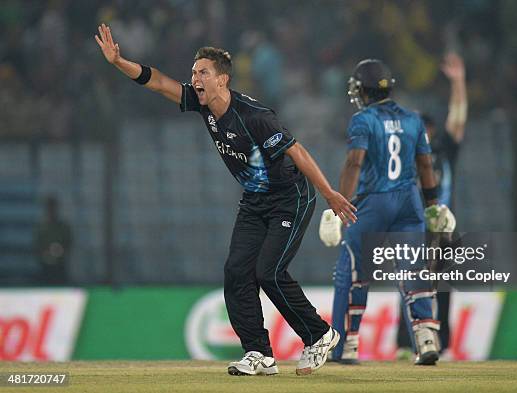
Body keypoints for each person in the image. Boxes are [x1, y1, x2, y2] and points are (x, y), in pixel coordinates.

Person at [95, 23, 357, 376]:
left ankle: (320, 335)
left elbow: (299, 153)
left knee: (269, 272)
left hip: (289, 198)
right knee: (236, 274)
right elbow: (157, 81)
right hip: (254, 200)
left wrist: (329, 194)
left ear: (223, 79)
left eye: (202, 72)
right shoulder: (203, 105)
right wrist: (118, 62)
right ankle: (259, 354)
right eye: (193, 72)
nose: (194, 78)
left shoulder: (255, 117)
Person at [320, 59, 453, 366]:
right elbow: (425, 165)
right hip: (409, 202)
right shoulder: (413, 119)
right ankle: (426, 339)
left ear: (362, 89)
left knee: (352, 274)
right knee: (414, 270)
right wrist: (433, 204)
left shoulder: (362, 120)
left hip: (372, 203)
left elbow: (354, 162)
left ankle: (346, 345)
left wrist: (339, 203)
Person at [396, 52, 468, 359]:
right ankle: (405, 343)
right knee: (409, 284)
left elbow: (458, 117)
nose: (423, 131)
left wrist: (459, 82)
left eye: (426, 126)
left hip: (442, 226)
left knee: (443, 287)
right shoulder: (403, 151)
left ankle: (444, 344)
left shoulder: (442, 149)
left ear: (432, 130)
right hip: (411, 225)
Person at [34, 196, 72, 285]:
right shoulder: (42, 227)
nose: (51, 211)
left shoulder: (63, 227)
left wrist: (60, 252)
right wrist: (46, 254)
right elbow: (37, 245)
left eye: (53, 208)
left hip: (60, 266)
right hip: (45, 267)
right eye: (49, 208)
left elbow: (69, 243)